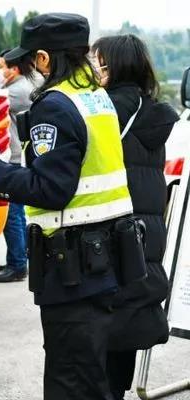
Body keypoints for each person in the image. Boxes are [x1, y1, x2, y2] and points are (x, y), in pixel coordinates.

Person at [0, 13, 137, 399]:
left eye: (31, 59)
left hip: (73, 270)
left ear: (44, 59)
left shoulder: (56, 105)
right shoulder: (96, 97)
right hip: (105, 260)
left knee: (70, 381)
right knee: (92, 377)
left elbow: (51, 189)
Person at [92, 34, 178, 400]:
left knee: (101, 325)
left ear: (112, 65)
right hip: (144, 232)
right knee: (126, 321)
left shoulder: (105, 110)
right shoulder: (149, 110)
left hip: (111, 230)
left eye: (96, 60)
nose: (91, 67)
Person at [0, 49, 35, 283]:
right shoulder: (22, 85)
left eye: (1, 67)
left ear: (14, 69)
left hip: (15, 159)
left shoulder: (18, 91)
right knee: (17, 213)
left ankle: (17, 265)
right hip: (18, 158)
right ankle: (18, 259)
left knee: (12, 215)